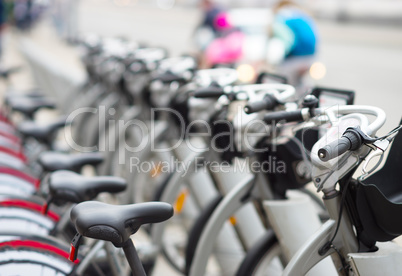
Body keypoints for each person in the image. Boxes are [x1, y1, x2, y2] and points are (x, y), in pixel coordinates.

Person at [265, 1, 318, 85]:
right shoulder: (301, 14)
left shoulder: (280, 17)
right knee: (301, 82)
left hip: (294, 58)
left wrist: (277, 59)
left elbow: (287, 40)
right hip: (310, 57)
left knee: (284, 81)